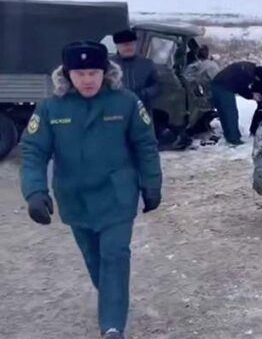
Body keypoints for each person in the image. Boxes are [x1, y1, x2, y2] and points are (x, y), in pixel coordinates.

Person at [20, 41, 163, 339]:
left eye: (94, 73)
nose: (88, 80)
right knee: (94, 260)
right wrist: (35, 192)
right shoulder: (50, 108)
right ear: (67, 74)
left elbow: (145, 145)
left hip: (117, 196)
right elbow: (33, 151)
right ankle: (114, 299)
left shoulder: (126, 102)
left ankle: (112, 327)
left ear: (106, 72)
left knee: (114, 255)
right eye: (80, 73)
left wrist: (151, 184)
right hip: (75, 198)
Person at [210, 61, 262, 145]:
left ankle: (232, 136)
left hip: (219, 85)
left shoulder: (256, 71)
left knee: (226, 113)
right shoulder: (249, 74)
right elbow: (242, 88)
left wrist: (259, 98)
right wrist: (252, 95)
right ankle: (234, 139)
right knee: (230, 113)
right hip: (223, 87)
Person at [111, 29, 160, 110]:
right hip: (115, 108)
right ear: (117, 46)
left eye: (131, 44)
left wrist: (143, 93)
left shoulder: (147, 64)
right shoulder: (109, 65)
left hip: (141, 107)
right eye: (124, 45)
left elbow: (155, 86)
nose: (128, 47)